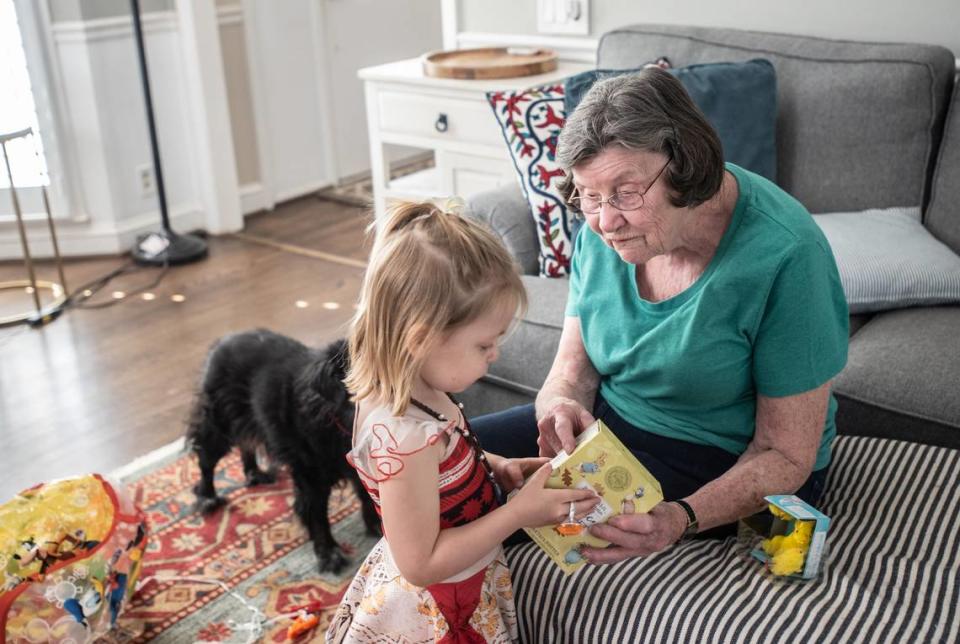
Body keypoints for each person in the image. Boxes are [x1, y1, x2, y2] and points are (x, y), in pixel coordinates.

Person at [471, 67, 848, 565]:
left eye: (627, 194)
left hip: (722, 455)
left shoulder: (786, 255)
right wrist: (559, 405)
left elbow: (786, 454)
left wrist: (679, 519)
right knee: (435, 470)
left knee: (482, 526)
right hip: (607, 434)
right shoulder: (604, 230)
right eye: (589, 195)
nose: (606, 221)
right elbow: (572, 369)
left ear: (687, 168)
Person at [326, 201, 599, 643]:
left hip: (466, 580)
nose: (495, 355)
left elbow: (447, 460)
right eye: (484, 345)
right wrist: (517, 514)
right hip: (438, 604)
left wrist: (495, 467)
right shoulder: (402, 438)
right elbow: (420, 563)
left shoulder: (423, 390)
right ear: (421, 338)